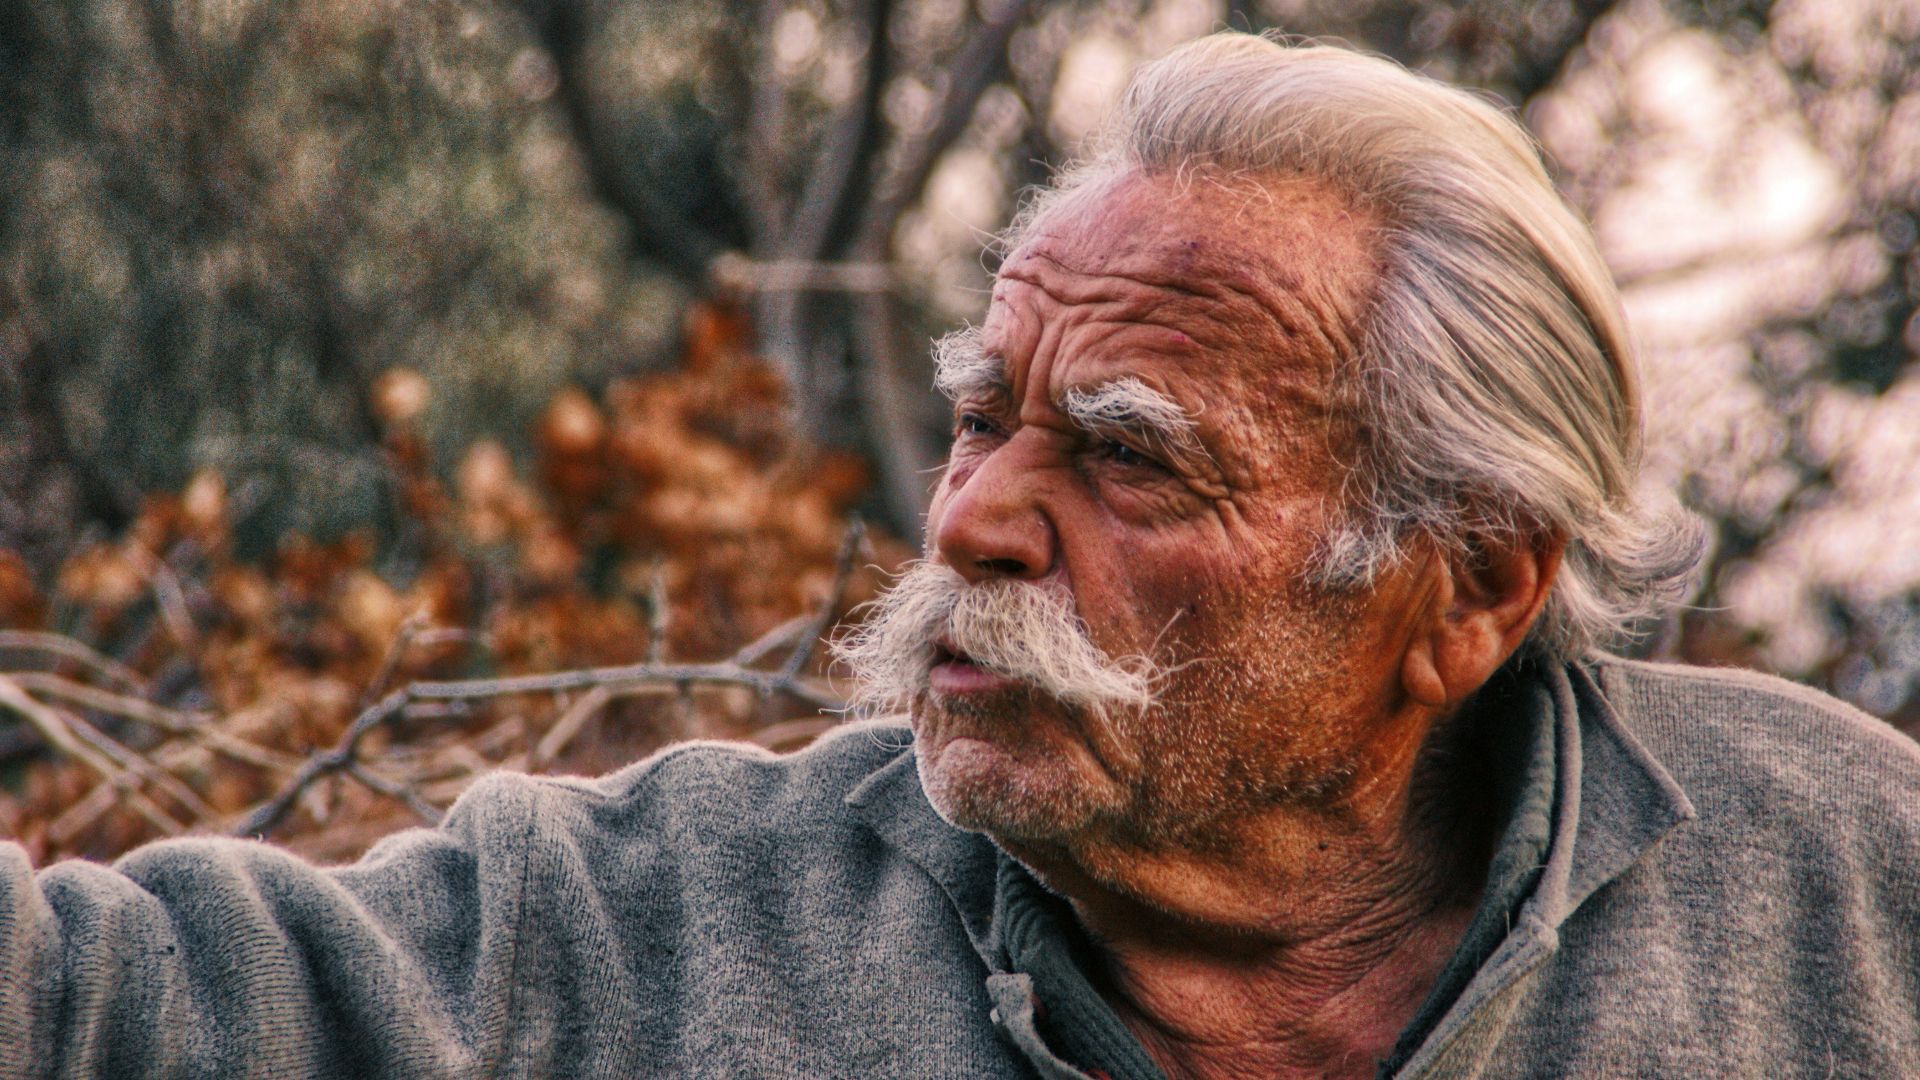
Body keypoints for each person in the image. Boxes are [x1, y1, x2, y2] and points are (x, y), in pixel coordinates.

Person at [4, 31, 1918, 1080]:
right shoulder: (668, 929)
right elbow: (103, 1000)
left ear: (1472, 588)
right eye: (985, 412)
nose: (972, 518)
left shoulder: (1841, 890)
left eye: (1129, 459)